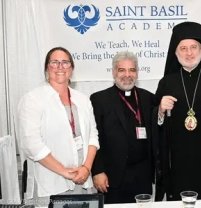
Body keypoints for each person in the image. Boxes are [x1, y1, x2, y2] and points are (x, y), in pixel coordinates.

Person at [18, 47, 99, 206]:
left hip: (82, 181)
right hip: (51, 183)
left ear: (72, 68)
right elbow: (32, 145)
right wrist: (65, 172)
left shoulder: (82, 100)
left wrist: (86, 168)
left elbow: (93, 137)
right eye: (54, 63)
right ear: (47, 68)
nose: (60, 67)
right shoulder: (33, 99)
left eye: (65, 63)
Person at [154, 21, 201, 201]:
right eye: (183, 48)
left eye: (193, 47)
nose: (189, 53)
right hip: (178, 160)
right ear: (175, 52)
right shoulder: (167, 82)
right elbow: (153, 119)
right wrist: (160, 110)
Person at [90, 51, 156, 204]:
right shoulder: (99, 99)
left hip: (143, 176)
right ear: (113, 72)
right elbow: (93, 137)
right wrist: (97, 171)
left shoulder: (148, 98)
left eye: (132, 70)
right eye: (122, 70)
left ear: (137, 73)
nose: (127, 75)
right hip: (112, 177)